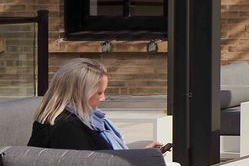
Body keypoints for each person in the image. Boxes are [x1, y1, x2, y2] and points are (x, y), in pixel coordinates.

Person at [29, 58, 167, 152]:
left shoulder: (76, 122)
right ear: (80, 93)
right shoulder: (67, 129)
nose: (103, 98)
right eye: (99, 93)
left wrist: (143, 156)